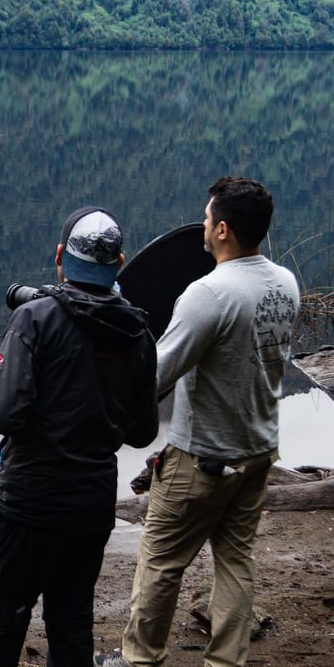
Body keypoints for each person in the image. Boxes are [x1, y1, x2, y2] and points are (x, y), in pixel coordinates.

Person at [96, 178, 301, 667]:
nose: (203, 226)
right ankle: (225, 661)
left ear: (224, 229)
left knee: (162, 563)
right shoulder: (285, 282)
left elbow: (156, 374)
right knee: (235, 563)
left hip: (201, 459)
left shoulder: (209, 293)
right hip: (257, 452)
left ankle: (139, 659)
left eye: (208, 219)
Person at [0, 207, 159, 667]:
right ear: (119, 261)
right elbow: (143, 431)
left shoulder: (35, 318)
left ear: (59, 257)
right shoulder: (139, 332)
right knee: (72, 626)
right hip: (91, 508)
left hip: (28, 504)